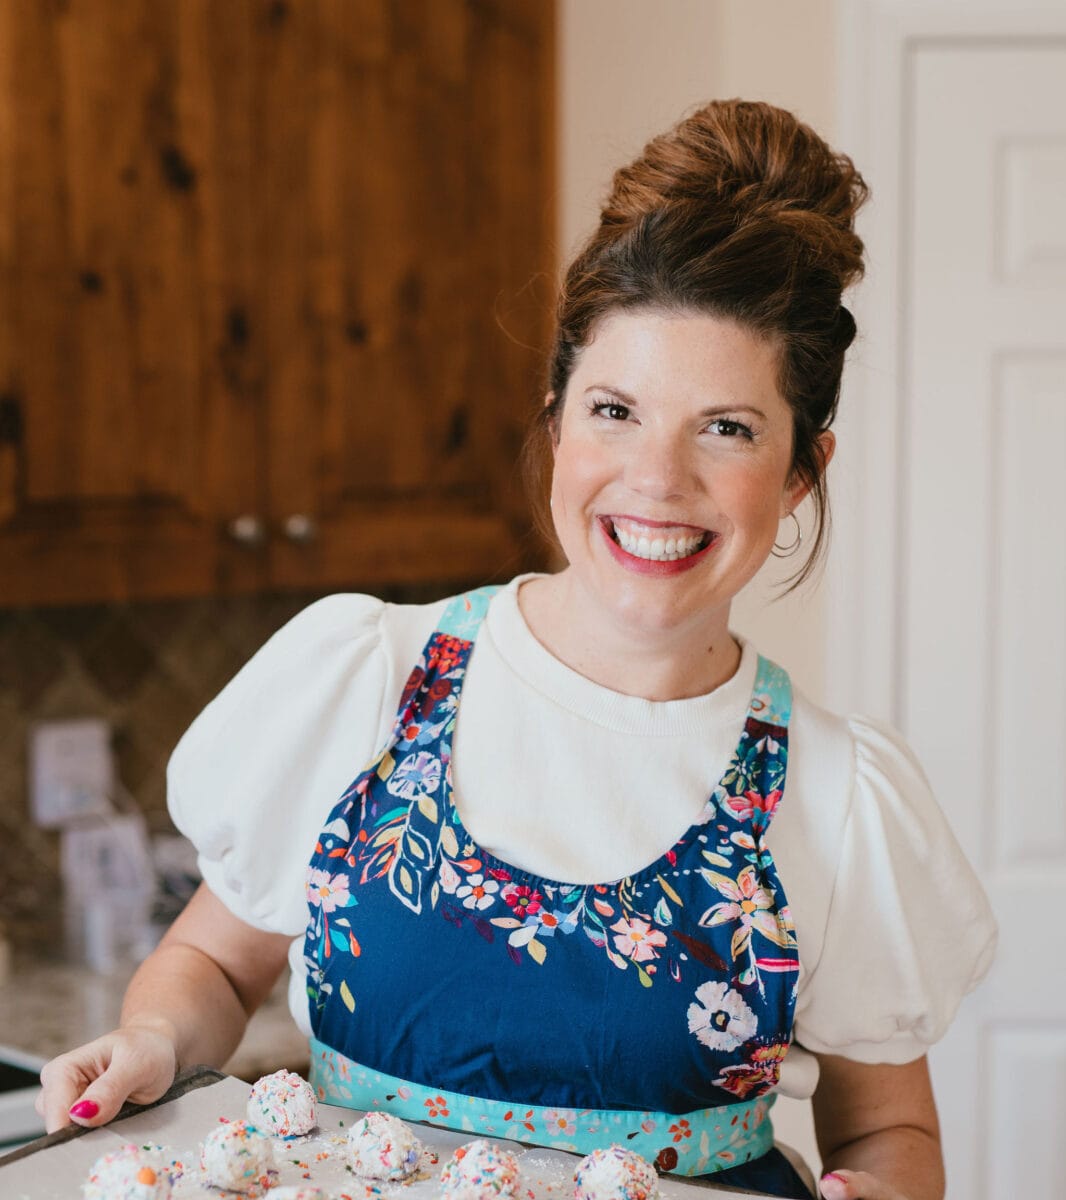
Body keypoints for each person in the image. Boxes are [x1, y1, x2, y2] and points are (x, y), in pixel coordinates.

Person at [37, 100, 995, 1200]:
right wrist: (158, 1041)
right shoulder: (374, 680)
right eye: (614, 410)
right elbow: (213, 963)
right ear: (554, 417)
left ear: (799, 472)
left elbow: (889, 1139)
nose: (655, 479)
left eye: (725, 428)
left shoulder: (836, 797)